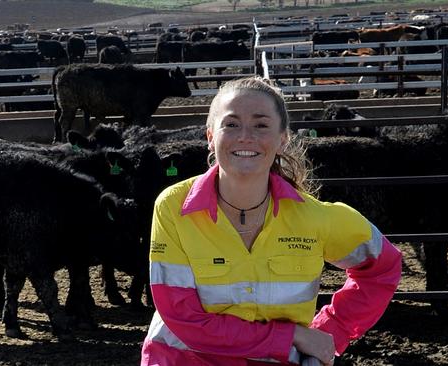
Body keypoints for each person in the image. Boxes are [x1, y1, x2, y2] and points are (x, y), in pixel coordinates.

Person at [140, 76, 402, 366]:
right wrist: (290, 337)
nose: (245, 136)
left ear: (282, 139)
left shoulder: (316, 218)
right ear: (211, 137)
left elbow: (382, 266)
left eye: (261, 125)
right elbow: (183, 318)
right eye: (231, 124)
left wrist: (333, 328)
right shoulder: (173, 208)